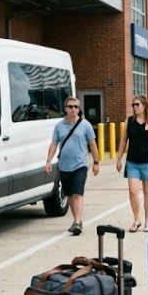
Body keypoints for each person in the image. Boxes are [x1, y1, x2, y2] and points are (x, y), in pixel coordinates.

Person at [45, 97, 100, 235]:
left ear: (79, 109)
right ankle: (77, 220)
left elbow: (93, 144)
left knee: (77, 193)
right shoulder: (59, 126)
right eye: (70, 107)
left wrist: (96, 162)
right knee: (69, 194)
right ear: (65, 108)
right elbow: (54, 144)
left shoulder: (85, 125)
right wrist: (48, 161)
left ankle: (76, 221)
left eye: (76, 107)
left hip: (80, 165)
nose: (73, 109)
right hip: (64, 166)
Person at [116, 95, 148, 232]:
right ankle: (136, 219)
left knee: (147, 192)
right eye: (133, 105)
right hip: (132, 161)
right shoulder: (129, 121)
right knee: (133, 191)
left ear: (144, 105)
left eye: (137, 104)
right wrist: (118, 158)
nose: (135, 107)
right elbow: (124, 140)